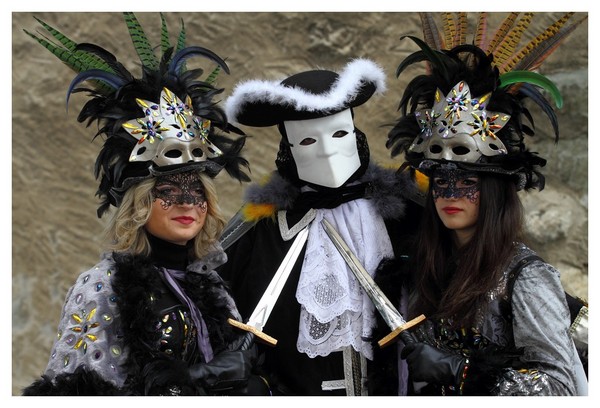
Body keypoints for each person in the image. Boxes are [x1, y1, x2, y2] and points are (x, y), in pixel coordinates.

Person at [21, 13, 269, 396]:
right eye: (168, 190)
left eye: (197, 190)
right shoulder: (103, 285)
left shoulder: (210, 284)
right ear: (138, 202)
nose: (187, 202)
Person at [381, 12, 588, 396]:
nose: (451, 193)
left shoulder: (525, 278)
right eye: (440, 181)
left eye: (467, 181)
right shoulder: (432, 267)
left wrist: (462, 372)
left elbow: (562, 387)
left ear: (495, 191)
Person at [217, 59, 422, 395]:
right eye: (309, 141)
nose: (327, 152)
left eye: (338, 134)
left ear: (355, 135)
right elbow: (216, 310)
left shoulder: (404, 214)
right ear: (288, 149)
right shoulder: (260, 229)